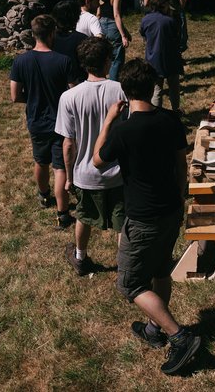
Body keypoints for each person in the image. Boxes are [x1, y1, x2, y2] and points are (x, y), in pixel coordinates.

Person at [92, 58, 200, 375]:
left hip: (142, 218)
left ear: (125, 92)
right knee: (160, 271)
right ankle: (154, 330)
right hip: (170, 209)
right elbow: (182, 165)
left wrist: (109, 121)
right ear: (154, 87)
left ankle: (179, 337)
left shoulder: (124, 130)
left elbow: (98, 161)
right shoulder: (170, 121)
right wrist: (180, 199)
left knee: (130, 284)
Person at [56, 37, 127, 276]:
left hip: (86, 173)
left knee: (84, 217)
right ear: (107, 61)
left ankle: (80, 257)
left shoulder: (69, 97)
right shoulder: (121, 91)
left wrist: (68, 176)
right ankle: (125, 266)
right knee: (122, 222)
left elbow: (68, 144)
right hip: (118, 172)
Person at [9, 14, 77, 229]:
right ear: (51, 34)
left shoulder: (21, 61)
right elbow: (74, 92)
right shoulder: (63, 61)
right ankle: (63, 213)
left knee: (40, 161)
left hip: (36, 121)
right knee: (60, 168)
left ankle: (43, 195)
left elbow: (14, 95)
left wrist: (29, 99)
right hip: (60, 122)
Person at [140, 0, 182, 111]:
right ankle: (175, 112)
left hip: (152, 59)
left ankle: (155, 114)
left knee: (157, 90)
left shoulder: (145, 19)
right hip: (170, 59)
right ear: (163, 5)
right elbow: (177, 37)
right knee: (174, 87)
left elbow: (143, 34)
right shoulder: (169, 21)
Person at [97, 0, 131, 81]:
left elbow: (98, 13)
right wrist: (123, 35)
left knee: (106, 56)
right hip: (112, 25)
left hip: (102, 24)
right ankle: (114, 83)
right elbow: (116, 15)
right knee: (117, 58)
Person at [51, 0, 88, 83]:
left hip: (53, 82)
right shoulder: (83, 39)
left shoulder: (49, 38)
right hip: (78, 84)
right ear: (76, 17)